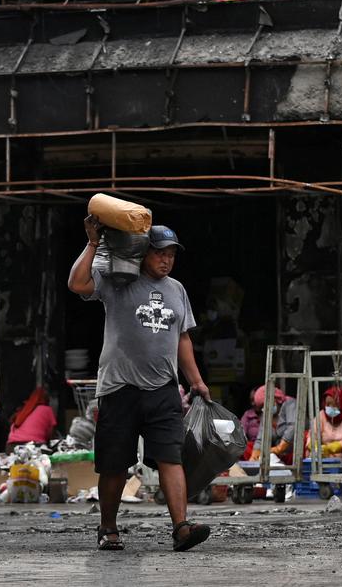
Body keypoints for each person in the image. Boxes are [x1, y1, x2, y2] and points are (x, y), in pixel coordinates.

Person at [68, 219, 211, 553]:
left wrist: (197, 381)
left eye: (172, 255)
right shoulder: (119, 281)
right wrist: (92, 243)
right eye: (160, 253)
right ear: (143, 253)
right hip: (120, 388)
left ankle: (181, 528)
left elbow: (183, 337)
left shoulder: (177, 290)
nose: (166, 260)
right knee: (116, 464)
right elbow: (77, 283)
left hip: (163, 389)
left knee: (170, 457)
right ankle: (108, 528)